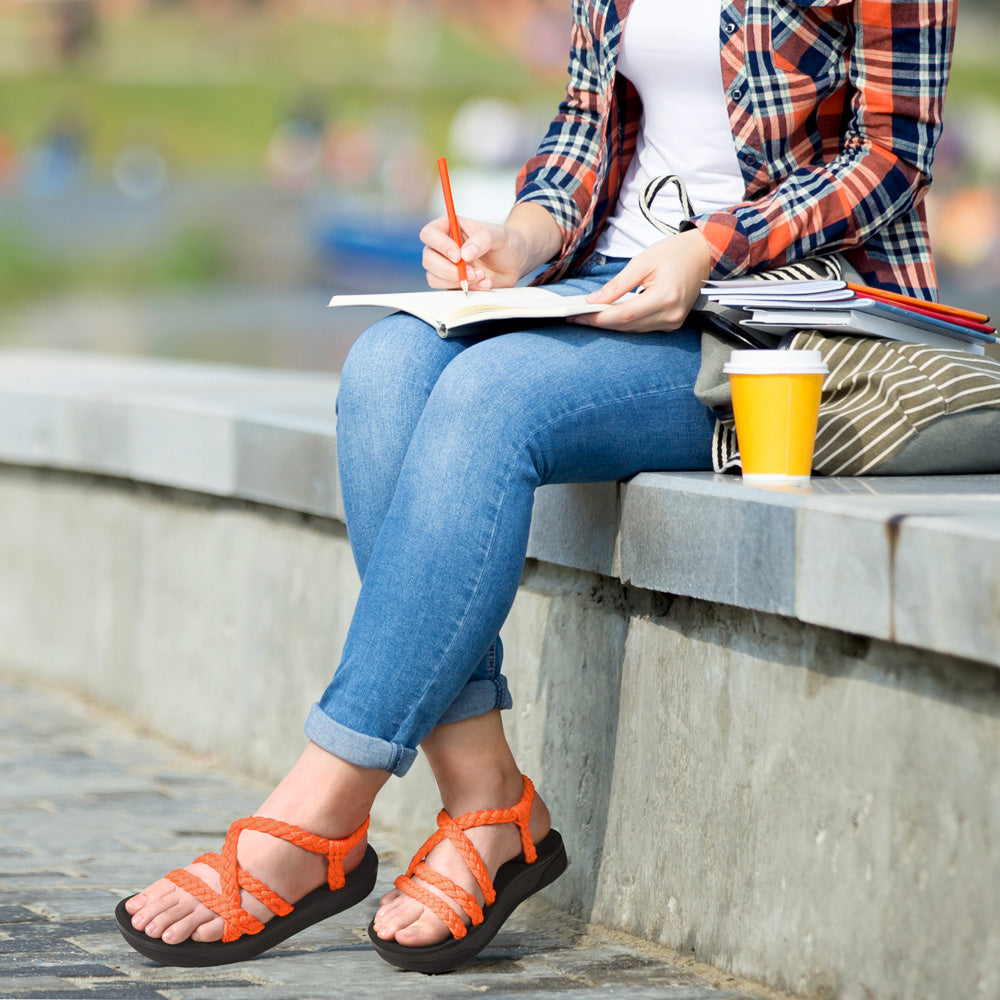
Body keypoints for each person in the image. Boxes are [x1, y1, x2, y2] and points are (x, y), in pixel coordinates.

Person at [116, 0, 957, 974]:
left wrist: (704, 248)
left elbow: (890, 159)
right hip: (605, 280)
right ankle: (487, 802)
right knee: (385, 368)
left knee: (489, 397)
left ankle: (320, 809)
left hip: (783, 311)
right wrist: (516, 240)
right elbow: (584, 125)